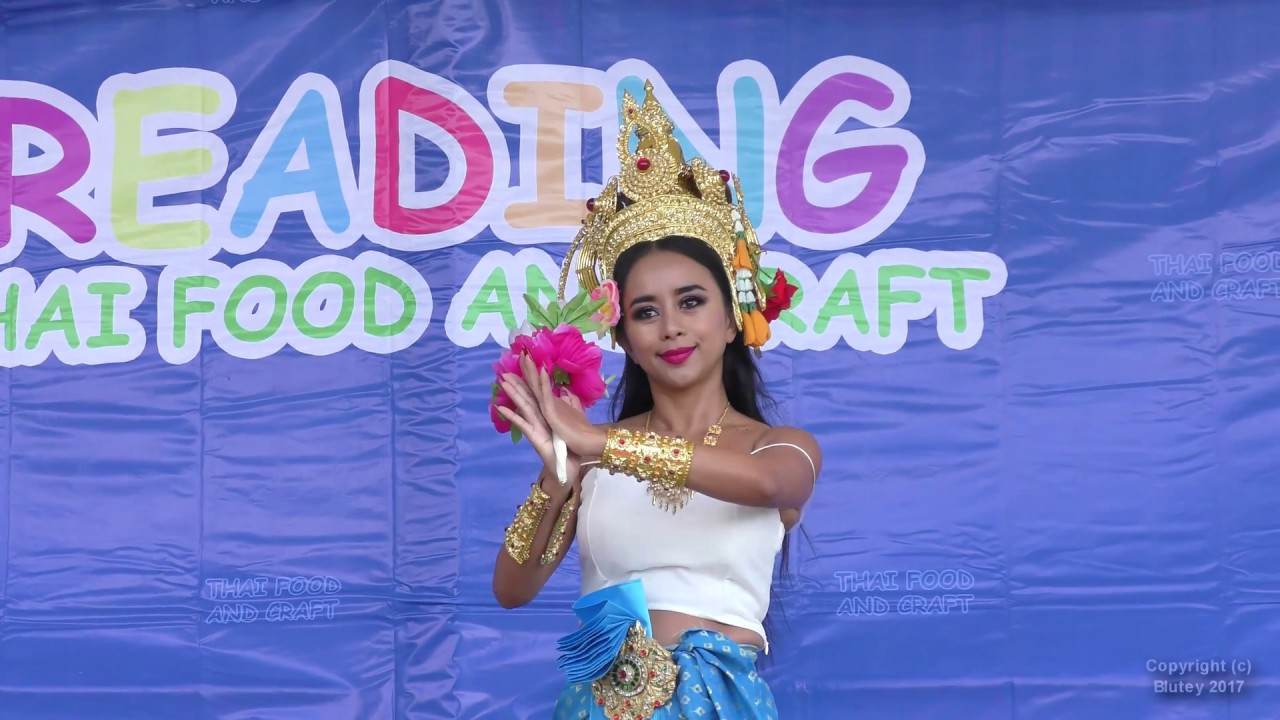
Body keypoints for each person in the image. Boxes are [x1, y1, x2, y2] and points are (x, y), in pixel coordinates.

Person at [490, 81, 821, 720]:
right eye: (646, 311)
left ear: (732, 318)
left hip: (721, 703)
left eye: (692, 302)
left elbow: (766, 484)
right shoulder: (587, 458)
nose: (671, 325)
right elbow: (511, 590)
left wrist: (600, 443)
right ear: (624, 339)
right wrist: (560, 473)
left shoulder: (779, 448)